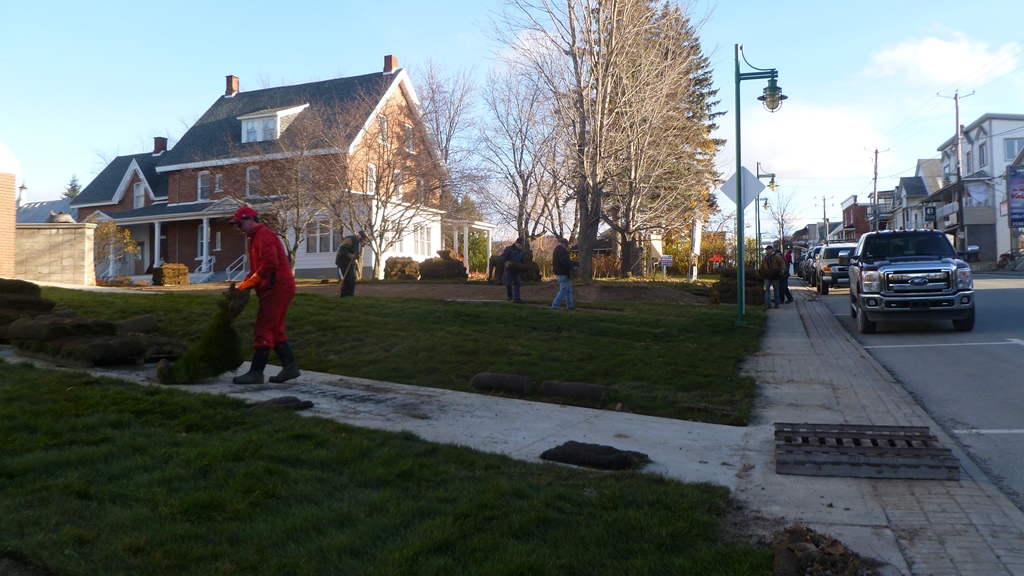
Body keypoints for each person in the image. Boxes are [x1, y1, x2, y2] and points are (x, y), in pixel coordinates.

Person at [229, 206, 300, 384]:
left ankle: (256, 373)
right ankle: (290, 367)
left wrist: (249, 284)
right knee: (275, 330)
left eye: (240, 224)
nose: (239, 228)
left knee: (264, 328)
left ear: (250, 220)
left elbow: (270, 264)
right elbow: (255, 269)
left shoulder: (264, 235)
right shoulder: (255, 238)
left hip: (277, 288)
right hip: (273, 288)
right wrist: (242, 287)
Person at [335, 230, 367, 297]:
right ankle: (345, 294)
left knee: (352, 278)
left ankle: (350, 294)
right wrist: (349, 255)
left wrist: (355, 258)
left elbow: (355, 252)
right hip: (342, 259)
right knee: (347, 277)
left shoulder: (357, 243)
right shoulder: (350, 239)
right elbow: (342, 248)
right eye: (361, 239)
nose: (361, 241)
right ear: (358, 236)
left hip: (349, 261)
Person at [551, 237, 576, 310]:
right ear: (563, 244)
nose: (566, 247)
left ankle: (570, 305)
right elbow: (565, 262)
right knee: (564, 290)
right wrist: (575, 264)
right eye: (566, 245)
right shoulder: (561, 251)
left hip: (561, 273)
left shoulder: (557, 250)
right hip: (562, 273)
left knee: (568, 290)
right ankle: (555, 305)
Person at [758, 245, 786, 310]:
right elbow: (762, 266)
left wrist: (782, 270)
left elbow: (782, 264)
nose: (767, 251)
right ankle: (768, 304)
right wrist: (761, 272)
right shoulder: (764, 258)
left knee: (775, 290)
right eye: (766, 250)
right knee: (767, 290)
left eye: (768, 249)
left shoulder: (777, 256)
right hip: (767, 275)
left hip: (775, 275)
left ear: (771, 250)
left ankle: (776, 303)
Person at [501, 237, 527, 303]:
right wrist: (506, 262)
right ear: (515, 243)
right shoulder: (508, 249)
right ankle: (510, 297)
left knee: (518, 283)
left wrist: (523, 266)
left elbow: (522, 260)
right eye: (518, 244)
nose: (519, 246)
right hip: (508, 269)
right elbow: (503, 257)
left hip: (516, 269)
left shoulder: (521, 252)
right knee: (508, 283)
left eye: (521, 245)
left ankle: (517, 298)